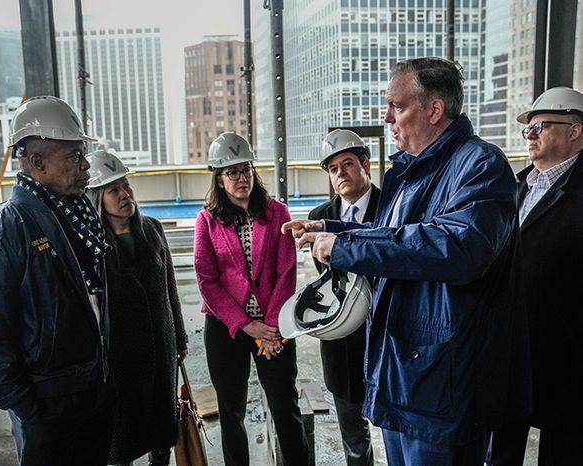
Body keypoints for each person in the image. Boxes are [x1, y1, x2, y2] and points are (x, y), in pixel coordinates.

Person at [282, 57, 531, 465]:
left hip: (442, 382)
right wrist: (336, 230)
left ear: (434, 110)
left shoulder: (481, 166)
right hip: (404, 373)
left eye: (396, 106)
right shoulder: (410, 171)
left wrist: (345, 248)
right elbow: (392, 232)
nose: (387, 118)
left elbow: (456, 247)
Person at [0, 96, 114, 466]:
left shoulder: (77, 216)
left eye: (82, 154)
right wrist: (28, 408)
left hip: (94, 391)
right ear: (38, 163)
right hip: (46, 406)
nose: (86, 164)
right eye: (74, 156)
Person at [194, 132, 310, 466]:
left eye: (245, 170)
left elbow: (287, 271)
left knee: (284, 407)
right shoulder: (207, 220)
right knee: (231, 412)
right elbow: (207, 280)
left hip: (274, 326)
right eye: (232, 172)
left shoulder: (277, 212)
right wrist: (247, 325)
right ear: (219, 179)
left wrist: (271, 328)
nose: (241, 177)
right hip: (226, 328)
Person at [487, 87, 583, 466]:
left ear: (574, 130)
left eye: (539, 126)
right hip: (510, 350)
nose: (529, 134)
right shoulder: (514, 185)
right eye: (528, 127)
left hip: (568, 354)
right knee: (501, 452)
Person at [85, 149, 188, 466]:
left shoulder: (152, 230)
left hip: (161, 346)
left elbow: (170, 289)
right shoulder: (93, 243)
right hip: (121, 356)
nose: (124, 195)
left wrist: (180, 339)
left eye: (126, 186)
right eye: (113, 190)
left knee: (162, 430)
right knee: (122, 437)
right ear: (98, 198)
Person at [307, 129, 379, 466]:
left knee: (400, 431)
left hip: (387, 334)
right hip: (342, 340)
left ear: (365, 164)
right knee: (352, 432)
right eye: (333, 169)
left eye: (347, 164)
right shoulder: (317, 218)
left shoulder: (392, 207)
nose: (341, 174)